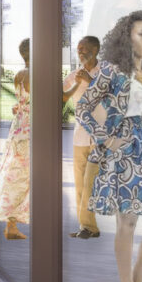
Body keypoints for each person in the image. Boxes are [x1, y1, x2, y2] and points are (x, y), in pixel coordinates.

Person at [76, 10, 142, 282]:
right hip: (124, 154)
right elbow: (82, 106)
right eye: (141, 34)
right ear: (127, 37)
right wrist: (104, 139)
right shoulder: (111, 71)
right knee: (128, 225)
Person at [63, 36, 102, 239]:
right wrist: (74, 85)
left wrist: (90, 81)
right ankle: (87, 227)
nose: (80, 52)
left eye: (84, 49)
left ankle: (88, 226)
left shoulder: (106, 74)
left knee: (89, 183)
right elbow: (60, 96)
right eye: (78, 49)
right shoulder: (73, 75)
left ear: (95, 50)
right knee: (80, 183)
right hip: (80, 137)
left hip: (99, 138)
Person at [0, 38, 32, 241]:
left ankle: (12, 225)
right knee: (28, 177)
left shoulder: (19, 75)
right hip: (31, 128)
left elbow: (21, 102)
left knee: (16, 175)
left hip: (18, 127)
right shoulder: (36, 74)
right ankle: (15, 224)